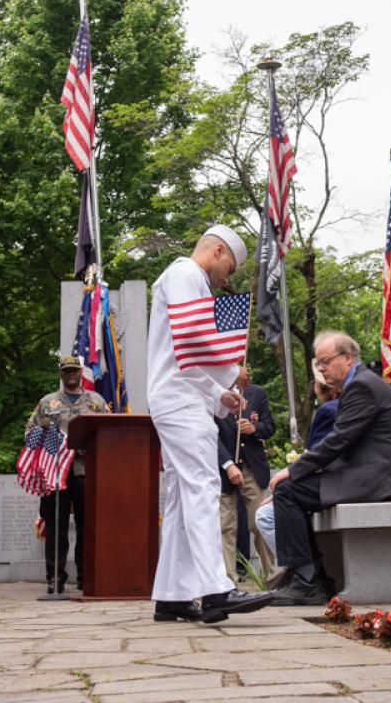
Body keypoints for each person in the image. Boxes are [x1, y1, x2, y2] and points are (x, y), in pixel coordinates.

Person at [146, 226, 275, 623]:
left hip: (180, 396)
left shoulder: (182, 277)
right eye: (229, 268)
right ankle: (216, 589)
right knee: (202, 489)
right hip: (179, 403)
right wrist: (232, 368)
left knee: (183, 499)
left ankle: (172, 595)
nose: (227, 279)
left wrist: (218, 393)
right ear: (217, 251)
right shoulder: (187, 275)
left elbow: (183, 359)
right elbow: (194, 337)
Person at [269, 331, 391, 605]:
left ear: (348, 358)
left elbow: (339, 440)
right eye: (318, 362)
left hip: (377, 479)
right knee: (291, 491)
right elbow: (348, 442)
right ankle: (309, 576)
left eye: (325, 361)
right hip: (371, 473)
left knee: (288, 490)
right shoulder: (362, 383)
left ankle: (308, 580)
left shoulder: (361, 386)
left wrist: (295, 468)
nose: (321, 368)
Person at [27, 355, 106, 594]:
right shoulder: (47, 403)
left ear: (81, 372)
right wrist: (46, 438)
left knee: (86, 525)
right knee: (56, 526)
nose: (70, 375)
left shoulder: (96, 402)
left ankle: (86, 576)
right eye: (66, 371)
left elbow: (107, 434)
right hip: (55, 472)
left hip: (85, 471)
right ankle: (55, 577)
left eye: (74, 371)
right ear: (61, 375)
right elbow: (29, 433)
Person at [254, 360, 341, 564]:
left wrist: (283, 488)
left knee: (265, 516)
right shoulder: (342, 406)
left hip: (331, 484)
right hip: (340, 480)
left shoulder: (328, 411)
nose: (313, 386)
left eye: (315, 382)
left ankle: (303, 571)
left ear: (321, 387)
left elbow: (320, 460)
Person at [215, 365, 276, 584]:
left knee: (259, 521)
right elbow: (211, 435)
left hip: (253, 468)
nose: (244, 374)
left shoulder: (256, 393)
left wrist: (255, 428)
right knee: (226, 525)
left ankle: (272, 576)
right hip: (223, 470)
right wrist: (227, 464)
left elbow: (270, 426)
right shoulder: (214, 393)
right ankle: (227, 580)